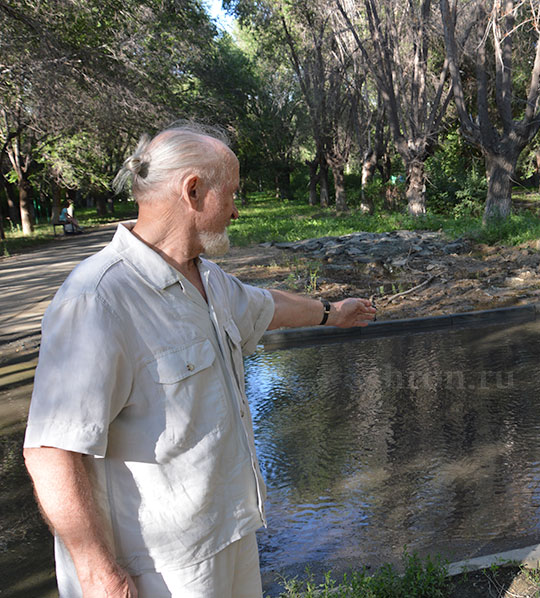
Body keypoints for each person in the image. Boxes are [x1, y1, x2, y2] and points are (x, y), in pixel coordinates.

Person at [22, 123, 376, 598]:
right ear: (192, 191)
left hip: (230, 534)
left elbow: (267, 304)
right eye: (230, 194)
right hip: (162, 569)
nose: (235, 209)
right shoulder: (98, 300)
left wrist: (333, 313)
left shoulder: (208, 280)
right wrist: (98, 573)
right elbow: (51, 451)